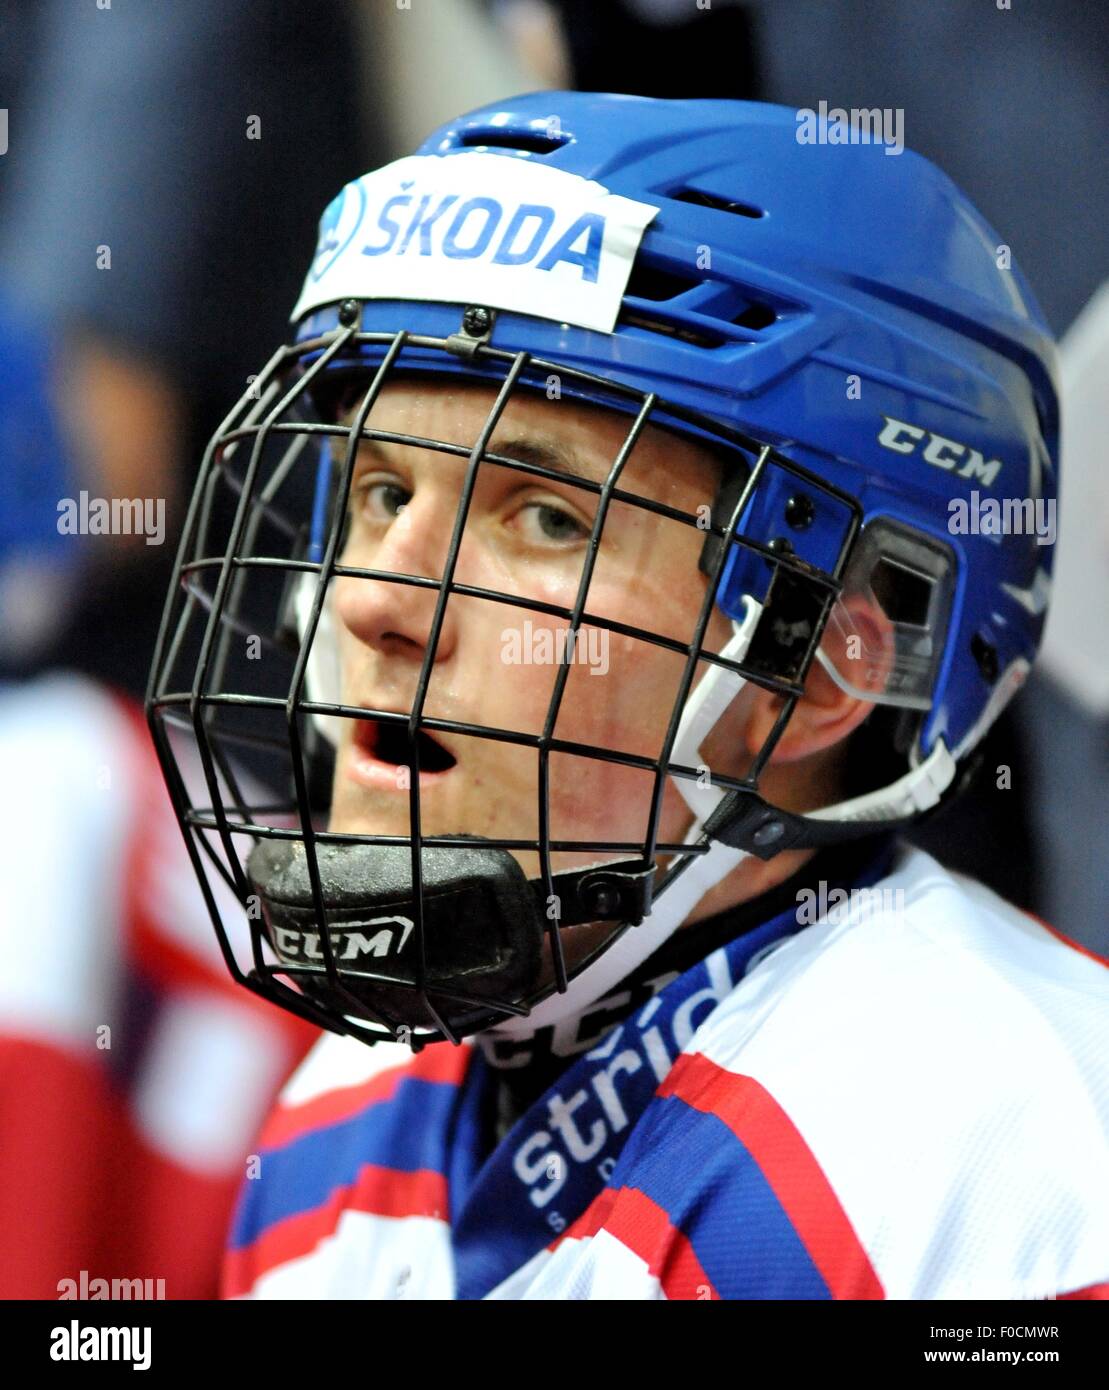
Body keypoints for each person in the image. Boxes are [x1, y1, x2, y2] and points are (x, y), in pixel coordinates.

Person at [146, 93, 1108, 1300]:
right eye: (381, 494)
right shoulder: (330, 1127)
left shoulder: (1018, 1180)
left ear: (817, 666)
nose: (374, 603)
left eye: (543, 518)